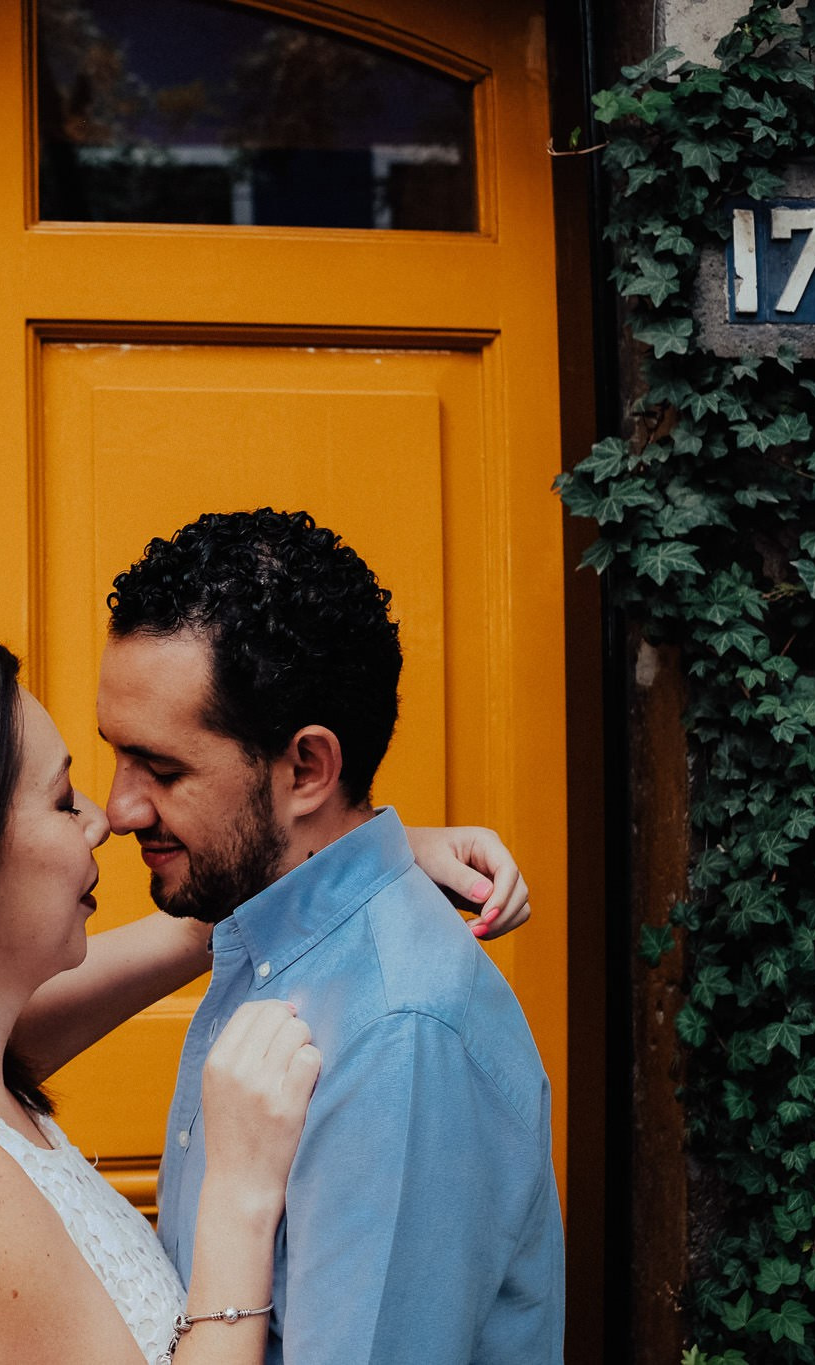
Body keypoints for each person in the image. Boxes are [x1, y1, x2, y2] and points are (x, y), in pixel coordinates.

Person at [0, 626, 539, 1365]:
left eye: (160, 767)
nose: (103, 816)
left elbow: (187, 935)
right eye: (60, 796)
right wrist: (240, 1200)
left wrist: (336, 860)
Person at [34, 509, 560, 1364]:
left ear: (307, 768)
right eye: (117, 755)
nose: (119, 809)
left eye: (162, 769)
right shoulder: (262, 934)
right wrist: (372, 856)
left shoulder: (399, 1034)